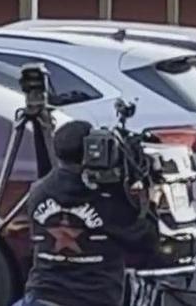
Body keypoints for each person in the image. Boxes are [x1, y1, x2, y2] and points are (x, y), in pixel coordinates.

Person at [13, 121, 160, 306]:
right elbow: (148, 242)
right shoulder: (107, 199)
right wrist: (149, 199)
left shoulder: (37, 191)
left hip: (41, 296)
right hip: (93, 299)